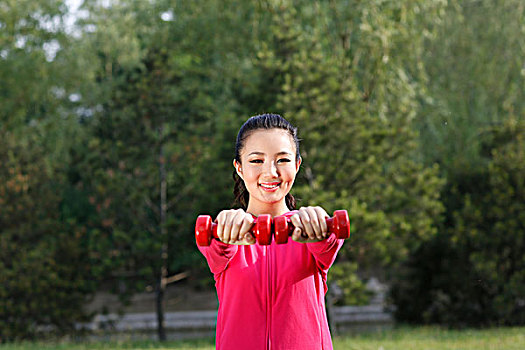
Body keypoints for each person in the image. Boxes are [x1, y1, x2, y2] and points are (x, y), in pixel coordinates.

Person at [198, 114, 345, 349]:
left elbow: (328, 244)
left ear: (297, 165)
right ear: (239, 167)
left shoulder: (312, 231)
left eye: (282, 160)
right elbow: (216, 248)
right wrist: (226, 229)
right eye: (256, 161)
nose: (270, 172)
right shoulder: (225, 233)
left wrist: (319, 226)